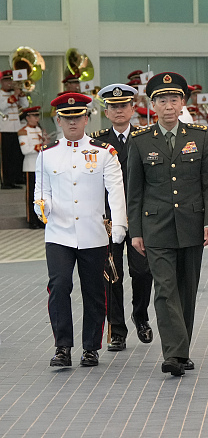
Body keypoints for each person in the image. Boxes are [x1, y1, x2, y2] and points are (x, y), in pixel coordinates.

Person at [127, 72, 208, 376]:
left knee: (186, 290)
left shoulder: (200, 135)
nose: (169, 106)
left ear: (183, 103)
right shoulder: (140, 141)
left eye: (174, 99)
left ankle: (182, 349)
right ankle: (174, 354)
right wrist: (136, 231)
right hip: (156, 227)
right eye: (162, 100)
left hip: (192, 224)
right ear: (152, 104)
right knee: (165, 289)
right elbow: (135, 191)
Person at [34, 93, 127, 368]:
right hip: (59, 234)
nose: (72, 123)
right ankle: (62, 346)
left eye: (77, 117)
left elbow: (116, 192)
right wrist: (42, 207)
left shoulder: (103, 153)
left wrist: (119, 225)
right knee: (60, 285)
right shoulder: (46, 155)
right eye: (66, 118)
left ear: (87, 118)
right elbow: (42, 191)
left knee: (94, 291)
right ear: (58, 121)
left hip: (93, 233)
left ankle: (91, 348)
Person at [91, 84, 154, 351]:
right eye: (113, 107)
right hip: (107, 219)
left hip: (139, 217)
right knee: (111, 274)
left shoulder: (145, 136)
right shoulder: (96, 141)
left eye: (124, 106)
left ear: (132, 108)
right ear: (106, 111)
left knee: (142, 272)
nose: (119, 111)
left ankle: (140, 315)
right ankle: (117, 330)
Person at [1, 70, 30, 189]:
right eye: (7, 80)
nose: (10, 83)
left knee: (17, 155)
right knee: (6, 156)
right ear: (1, 82)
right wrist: (14, 96)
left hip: (17, 128)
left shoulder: (15, 93)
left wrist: (21, 95)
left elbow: (26, 105)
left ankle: (17, 177)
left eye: (11, 80)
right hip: (4, 129)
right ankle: (6, 180)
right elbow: (2, 107)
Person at [18, 106, 46, 228]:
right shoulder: (23, 131)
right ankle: (31, 220)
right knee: (31, 196)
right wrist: (40, 146)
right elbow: (25, 150)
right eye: (34, 116)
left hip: (41, 166)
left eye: (37, 116)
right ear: (28, 117)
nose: (37, 118)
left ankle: (41, 219)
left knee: (42, 195)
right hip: (30, 166)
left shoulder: (39, 130)